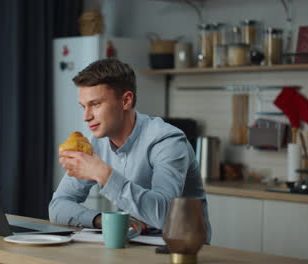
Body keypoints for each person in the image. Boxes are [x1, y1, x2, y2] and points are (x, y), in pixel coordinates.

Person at [48, 58, 211, 242]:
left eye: (95, 104)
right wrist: (100, 220)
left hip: (183, 249)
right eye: (83, 106)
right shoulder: (98, 144)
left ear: (126, 100)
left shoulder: (167, 141)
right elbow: (58, 206)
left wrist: (104, 175)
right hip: (132, 246)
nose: (86, 116)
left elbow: (165, 215)